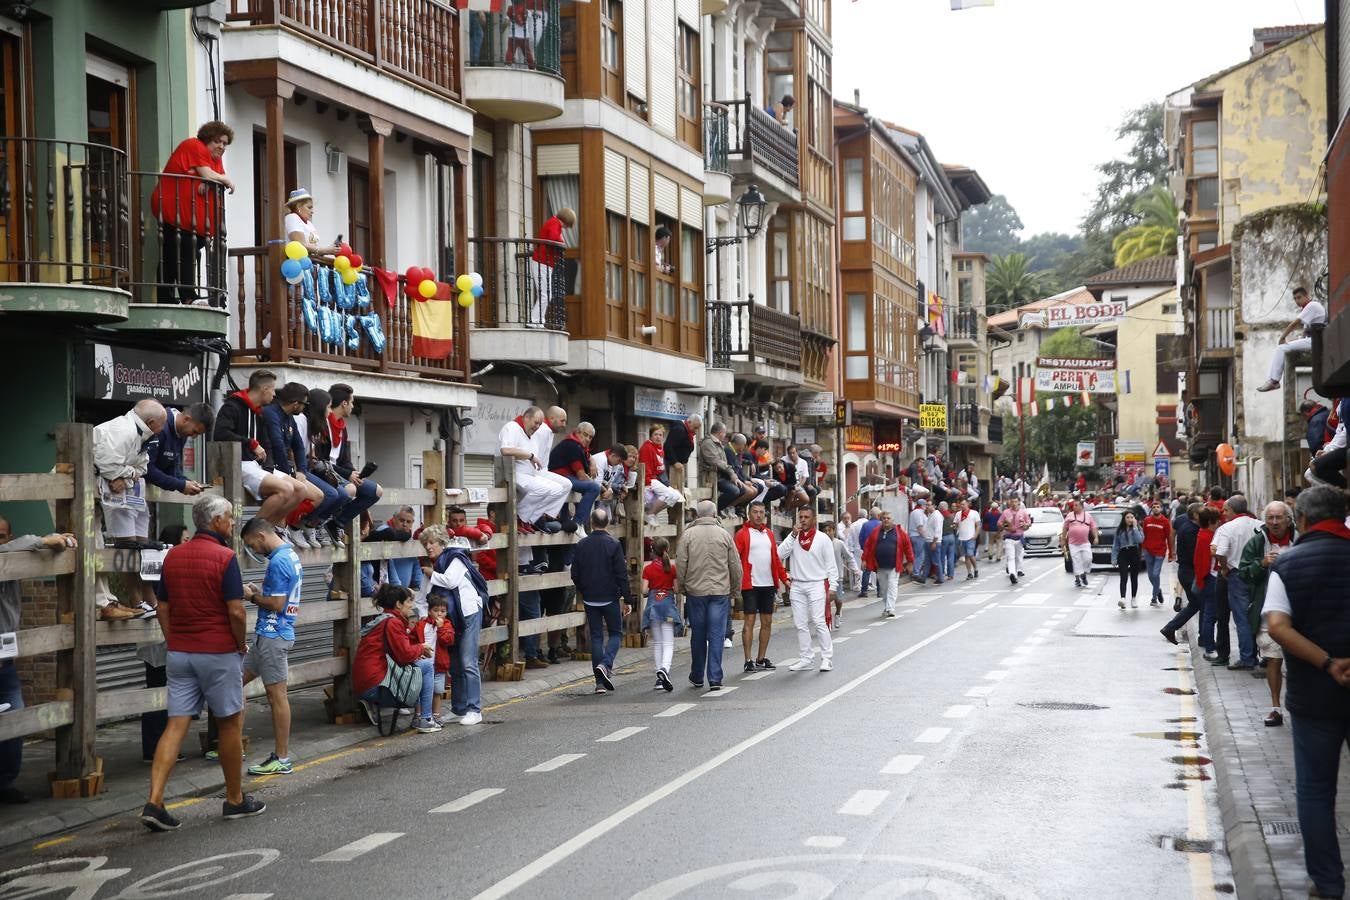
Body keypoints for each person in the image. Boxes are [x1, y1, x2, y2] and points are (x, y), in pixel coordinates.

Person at [139, 495, 265, 831]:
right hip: (218, 652)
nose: (234, 523)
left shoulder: (174, 556)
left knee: (176, 724)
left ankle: (154, 801)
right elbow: (236, 611)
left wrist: (174, 639)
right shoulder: (225, 557)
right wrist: (239, 645)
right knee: (228, 723)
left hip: (180, 653)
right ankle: (235, 799)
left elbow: (162, 608)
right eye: (230, 518)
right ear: (218, 521)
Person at [1262, 486, 1350, 900]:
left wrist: (1328, 662)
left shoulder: (1287, 565)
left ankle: (1328, 884)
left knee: (1316, 791)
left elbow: (1278, 627)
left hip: (1315, 696)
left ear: (1302, 521)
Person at [0, 520, 76, 802]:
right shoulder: (9, 554)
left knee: (16, 720)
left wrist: (49, 543)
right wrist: (44, 540)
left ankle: (5, 784)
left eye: (2, 537)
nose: (1, 543)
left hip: (6, 665)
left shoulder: (15, 562)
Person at [93, 399, 168, 620]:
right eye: (162, 425)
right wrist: (124, 474)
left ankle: (106, 600)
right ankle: (101, 603)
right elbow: (108, 466)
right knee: (91, 544)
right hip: (79, 489)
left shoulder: (140, 435)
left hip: (96, 491)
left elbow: (141, 468)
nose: (162, 430)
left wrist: (123, 477)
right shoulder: (123, 431)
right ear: (151, 422)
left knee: (97, 543)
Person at [239, 517, 302, 776]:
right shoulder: (290, 554)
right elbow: (281, 594)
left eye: (252, 544)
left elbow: (276, 604)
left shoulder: (277, 561)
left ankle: (282, 757)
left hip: (273, 635)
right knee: (234, 681)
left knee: (277, 696)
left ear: (261, 536)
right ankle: (232, 746)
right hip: (268, 636)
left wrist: (251, 596)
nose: (253, 550)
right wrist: (260, 590)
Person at [151, 121, 234, 305]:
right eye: (217, 141)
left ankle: (167, 299)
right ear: (206, 139)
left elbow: (210, 175)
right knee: (184, 249)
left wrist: (208, 180)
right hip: (175, 213)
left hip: (192, 221)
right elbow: (208, 174)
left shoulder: (215, 158)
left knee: (173, 255)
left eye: (225, 143)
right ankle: (188, 296)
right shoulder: (194, 145)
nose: (221, 146)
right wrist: (224, 179)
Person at [215, 370, 304, 529]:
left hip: (257, 466)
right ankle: (253, 531)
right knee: (285, 489)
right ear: (264, 389)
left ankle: (270, 529)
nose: (274, 394)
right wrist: (251, 443)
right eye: (273, 389)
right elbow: (220, 433)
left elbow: (268, 444)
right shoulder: (232, 407)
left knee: (300, 490)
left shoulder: (259, 412)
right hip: (238, 463)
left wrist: (269, 467)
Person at [419, 526, 488, 725]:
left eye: (432, 542)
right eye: (426, 544)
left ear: (442, 542)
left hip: (468, 613)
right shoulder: (433, 567)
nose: (429, 547)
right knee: (455, 664)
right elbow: (423, 599)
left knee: (468, 662)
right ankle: (459, 709)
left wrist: (431, 573)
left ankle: (475, 709)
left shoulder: (454, 557)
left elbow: (450, 581)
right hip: (451, 620)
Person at [1238, 501, 1296, 727]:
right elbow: (1243, 573)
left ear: (1288, 519)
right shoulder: (1257, 542)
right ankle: (1275, 708)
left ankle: (1299, 706)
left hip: (1299, 611)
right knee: (1273, 658)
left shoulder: (1300, 539)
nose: (1274, 522)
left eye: (1279, 517)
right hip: (1268, 610)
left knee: (1298, 661)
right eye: (1270, 517)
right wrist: (1261, 563)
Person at [353, 584, 439, 734]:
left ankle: (418, 717)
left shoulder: (383, 620)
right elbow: (405, 655)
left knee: (416, 668)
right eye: (408, 602)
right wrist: (421, 647)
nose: (411, 606)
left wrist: (417, 649)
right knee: (425, 666)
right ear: (398, 604)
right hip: (377, 686)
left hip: (366, 683)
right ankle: (425, 719)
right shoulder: (393, 623)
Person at [676, 500, 740, 691]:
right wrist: (735, 589)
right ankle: (715, 677)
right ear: (714, 514)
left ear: (697, 514)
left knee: (698, 634)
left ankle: (697, 675)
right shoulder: (725, 535)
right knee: (716, 634)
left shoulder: (687, 535)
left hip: (696, 591)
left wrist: (682, 585)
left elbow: (681, 563)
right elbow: (735, 566)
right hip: (720, 591)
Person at [571, 508, 632, 693]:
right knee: (615, 634)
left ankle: (599, 683)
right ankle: (606, 665)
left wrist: (584, 590)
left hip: (590, 598)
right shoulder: (614, 544)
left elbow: (575, 573)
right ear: (608, 523)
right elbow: (621, 574)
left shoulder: (582, 544)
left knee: (596, 636)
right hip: (610, 597)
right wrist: (628, 599)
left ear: (591, 522)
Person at [261, 381, 326, 548]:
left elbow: (298, 445)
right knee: (294, 490)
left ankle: (283, 527)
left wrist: (302, 471)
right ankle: (270, 528)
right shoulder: (271, 413)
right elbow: (277, 445)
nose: (305, 407)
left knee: (318, 495)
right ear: (296, 403)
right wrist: (288, 473)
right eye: (305, 403)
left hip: (284, 470)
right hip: (268, 467)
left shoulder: (289, 418)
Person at [779, 506, 838, 672]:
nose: (803, 520)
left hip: (817, 583)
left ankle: (827, 658)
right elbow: (779, 554)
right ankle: (806, 658)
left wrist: (833, 586)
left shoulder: (822, 538)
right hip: (797, 584)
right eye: (801, 517)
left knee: (819, 621)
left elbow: (831, 565)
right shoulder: (794, 538)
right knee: (800, 624)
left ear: (813, 520)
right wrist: (792, 536)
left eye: (806, 517)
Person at [498, 405, 570, 533]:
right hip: (514, 473)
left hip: (529, 474)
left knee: (558, 488)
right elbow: (505, 450)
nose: (537, 427)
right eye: (536, 423)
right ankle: (519, 518)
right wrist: (530, 456)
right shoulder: (512, 427)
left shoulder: (530, 434)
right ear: (526, 417)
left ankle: (530, 519)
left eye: (540, 424)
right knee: (543, 488)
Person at [323, 384, 384, 532]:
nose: (352, 406)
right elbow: (320, 459)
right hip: (323, 471)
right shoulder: (324, 424)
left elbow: (344, 459)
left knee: (375, 491)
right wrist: (347, 474)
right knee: (350, 489)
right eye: (351, 402)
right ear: (344, 404)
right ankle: (319, 523)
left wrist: (355, 473)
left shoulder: (342, 428)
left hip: (339, 473)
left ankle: (337, 523)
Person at [734, 501, 787, 674]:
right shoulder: (742, 534)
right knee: (749, 621)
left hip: (768, 584)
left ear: (765, 514)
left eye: (761, 512)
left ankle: (761, 658)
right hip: (750, 584)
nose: (758, 515)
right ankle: (748, 659)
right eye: (755, 512)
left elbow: (776, 559)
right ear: (749, 514)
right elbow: (734, 560)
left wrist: (784, 579)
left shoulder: (769, 534)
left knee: (767, 622)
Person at [1212, 495, 1263, 670]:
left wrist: (1224, 568)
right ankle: (1262, 656)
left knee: (1242, 618)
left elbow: (1220, 552)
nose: (1224, 513)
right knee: (1260, 614)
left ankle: (1247, 658)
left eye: (1226, 509)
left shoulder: (1227, 528)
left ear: (1232, 510)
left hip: (1238, 575)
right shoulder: (1260, 524)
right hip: (1259, 573)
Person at [1258, 286, 1326, 391]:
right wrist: (1293, 341)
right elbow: (1304, 334)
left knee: (1281, 348)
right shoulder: (1309, 309)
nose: (1297, 301)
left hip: (1315, 341)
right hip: (1312, 339)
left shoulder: (1312, 306)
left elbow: (1294, 323)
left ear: (1306, 296)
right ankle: (1272, 380)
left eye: (1299, 297)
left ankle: (1274, 381)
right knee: (1286, 346)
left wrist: (1282, 337)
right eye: (1295, 299)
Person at [1161, 504, 1210, 645]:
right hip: (1189, 572)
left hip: (1187, 571)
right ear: (1195, 515)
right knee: (1202, 604)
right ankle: (1203, 638)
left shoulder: (1191, 528)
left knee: (1195, 604)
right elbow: (1193, 554)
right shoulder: (1190, 530)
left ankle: (1170, 628)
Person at [144, 403, 213, 498]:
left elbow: (172, 471)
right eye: (194, 431)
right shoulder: (161, 427)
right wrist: (181, 485)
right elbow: (146, 469)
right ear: (186, 419)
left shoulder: (181, 433)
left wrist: (187, 482)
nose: (193, 437)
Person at [640, 537, 680, 691]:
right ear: (667, 550)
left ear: (652, 551)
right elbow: (676, 590)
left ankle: (659, 678)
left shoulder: (648, 569)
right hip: (668, 606)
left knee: (657, 642)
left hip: (654, 607)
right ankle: (665, 668)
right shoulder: (672, 568)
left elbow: (644, 590)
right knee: (668, 642)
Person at [549, 420, 601, 533]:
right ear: (577, 432)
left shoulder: (576, 445)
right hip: (560, 478)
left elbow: (587, 457)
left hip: (563, 479)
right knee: (594, 488)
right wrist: (596, 484)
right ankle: (578, 523)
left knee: (566, 526)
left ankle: (574, 524)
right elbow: (581, 476)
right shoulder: (572, 445)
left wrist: (592, 461)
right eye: (585, 434)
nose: (587, 439)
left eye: (590, 437)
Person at [861, 510, 914, 618]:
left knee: (892, 585)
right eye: (884, 518)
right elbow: (868, 545)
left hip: (894, 565)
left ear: (892, 520)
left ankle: (890, 608)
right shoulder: (876, 531)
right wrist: (864, 559)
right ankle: (887, 606)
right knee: (884, 589)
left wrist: (910, 562)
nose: (886, 520)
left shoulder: (899, 532)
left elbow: (908, 547)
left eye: (888, 518)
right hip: (880, 566)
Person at [413, 596, 456, 724]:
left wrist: (441, 628)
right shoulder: (421, 625)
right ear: (429, 611)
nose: (439, 613)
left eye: (443, 611)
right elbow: (412, 639)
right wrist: (417, 651)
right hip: (423, 663)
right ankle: (418, 715)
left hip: (439, 665)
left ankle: (436, 715)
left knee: (437, 691)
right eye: (436, 610)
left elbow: (448, 640)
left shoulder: (447, 625)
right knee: (420, 691)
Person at [530, 207, 576, 326]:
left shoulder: (554, 223)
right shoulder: (555, 223)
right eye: (568, 225)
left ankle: (538, 320)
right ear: (566, 220)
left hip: (544, 262)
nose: (566, 228)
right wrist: (562, 242)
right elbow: (554, 238)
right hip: (542, 262)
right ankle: (535, 320)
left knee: (545, 294)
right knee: (546, 294)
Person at [701, 423, 752, 516]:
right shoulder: (708, 443)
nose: (725, 436)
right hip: (714, 477)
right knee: (735, 491)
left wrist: (733, 474)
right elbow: (715, 460)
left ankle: (723, 509)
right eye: (724, 433)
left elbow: (724, 462)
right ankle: (715, 510)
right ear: (721, 432)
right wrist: (730, 472)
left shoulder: (718, 443)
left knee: (742, 489)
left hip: (722, 475)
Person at [638, 424, 684, 526]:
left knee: (676, 496)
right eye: (655, 434)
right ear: (650, 436)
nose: (658, 437)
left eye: (660, 435)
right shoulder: (647, 448)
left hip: (657, 479)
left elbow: (660, 469)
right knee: (668, 495)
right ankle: (650, 514)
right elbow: (645, 469)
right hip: (649, 480)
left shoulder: (660, 449)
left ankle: (652, 513)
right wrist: (648, 485)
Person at [370, 506, 422, 592]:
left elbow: (415, 562)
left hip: (404, 594)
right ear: (394, 519)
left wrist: (418, 585)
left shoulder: (410, 538)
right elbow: (388, 563)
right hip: (387, 592)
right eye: (401, 520)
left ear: (412, 522)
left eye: (408, 522)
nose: (405, 524)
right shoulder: (383, 531)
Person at [282, 188, 339, 256]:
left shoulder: (309, 224)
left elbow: (314, 247)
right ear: (298, 207)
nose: (312, 211)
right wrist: (325, 250)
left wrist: (331, 248)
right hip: (298, 263)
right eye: (309, 207)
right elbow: (300, 245)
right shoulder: (292, 217)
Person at [1141, 500, 1173, 606]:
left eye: (1158, 506)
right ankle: (1158, 589)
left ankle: (1154, 598)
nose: (1156, 508)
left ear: (1161, 508)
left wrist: (1171, 553)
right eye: (1154, 507)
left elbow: (1169, 537)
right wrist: (1142, 549)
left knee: (1156, 574)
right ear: (1151, 509)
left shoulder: (1165, 521)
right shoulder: (1147, 520)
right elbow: (1143, 535)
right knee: (1150, 576)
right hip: (1148, 551)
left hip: (1160, 551)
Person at [826, 522, 858, 628]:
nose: (827, 533)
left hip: (837, 577)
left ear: (834, 531)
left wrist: (855, 569)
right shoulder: (821, 543)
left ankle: (838, 614)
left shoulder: (839, 543)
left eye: (829, 530)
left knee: (838, 600)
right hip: (824, 577)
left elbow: (849, 557)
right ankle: (827, 620)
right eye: (825, 531)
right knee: (825, 600)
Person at [1112, 511, 1144, 609]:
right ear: (1124, 519)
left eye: (1132, 517)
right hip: (1123, 553)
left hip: (1134, 552)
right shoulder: (1119, 530)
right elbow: (1115, 545)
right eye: (1128, 517)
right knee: (1123, 576)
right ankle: (1123, 598)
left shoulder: (1138, 528)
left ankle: (1133, 598)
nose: (1130, 519)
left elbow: (1140, 540)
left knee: (1134, 577)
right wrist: (1114, 558)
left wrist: (1135, 527)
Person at [1062, 499, 1097, 589]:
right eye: (1074, 505)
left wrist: (1096, 537)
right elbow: (1065, 528)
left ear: (1082, 506)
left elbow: (1093, 527)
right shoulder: (1070, 516)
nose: (1074, 507)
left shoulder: (1088, 516)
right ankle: (1078, 579)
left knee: (1088, 558)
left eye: (1076, 505)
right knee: (1076, 561)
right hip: (1073, 543)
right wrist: (1063, 540)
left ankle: (1083, 574)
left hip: (1085, 542)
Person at [998, 497, 1031, 585]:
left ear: (1018, 503)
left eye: (1015, 501)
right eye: (1012, 501)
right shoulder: (1005, 512)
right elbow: (999, 524)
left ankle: (1015, 573)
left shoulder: (1023, 512)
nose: (1014, 503)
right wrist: (1006, 527)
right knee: (1010, 557)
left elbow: (1028, 523)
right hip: (1009, 538)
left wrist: (1025, 525)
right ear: (1010, 502)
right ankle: (1012, 574)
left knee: (1017, 557)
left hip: (1019, 538)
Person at [856, 507, 882, 597]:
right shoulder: (881, 525)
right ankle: (880, 591)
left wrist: (864, 548)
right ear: (878, 515)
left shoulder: (865, 525)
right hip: (879, 552)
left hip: (868, 552)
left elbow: (861, 538)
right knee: (879, 571)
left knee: (866, 571)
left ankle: (864, 591)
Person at [955, 498, 980, 580]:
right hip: (962, 537)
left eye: (963, 504)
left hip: (971, 537)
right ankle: (969, 572)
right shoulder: (958, 514)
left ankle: (975, 568)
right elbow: (955, 524)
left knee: (970, 554)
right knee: (966, 556)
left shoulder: (974, 513)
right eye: (961, 504)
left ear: (967, 504)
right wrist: (954, 526)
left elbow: (978, 525)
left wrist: (976, 534)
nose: (962, 506)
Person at [908, 498, 932, 585]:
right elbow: (920, 527)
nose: (926, 507)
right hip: (918, 536)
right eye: (925, 505)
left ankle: (915, 571)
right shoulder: (918, 513)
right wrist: (926, 537)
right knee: (920, 556)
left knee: (917, 555)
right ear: (922, 505)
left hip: (916, 536)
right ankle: (916, 573)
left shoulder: (915, 512)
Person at [938, 501, 958, 582]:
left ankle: (942, 573)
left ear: (941, 508)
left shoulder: (940, 516)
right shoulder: (951, 516)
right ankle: (951, 575)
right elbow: (955, 527)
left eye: (939, 507)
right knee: (951, 556)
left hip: (944, 537)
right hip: (952, 537)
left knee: (942, 556)